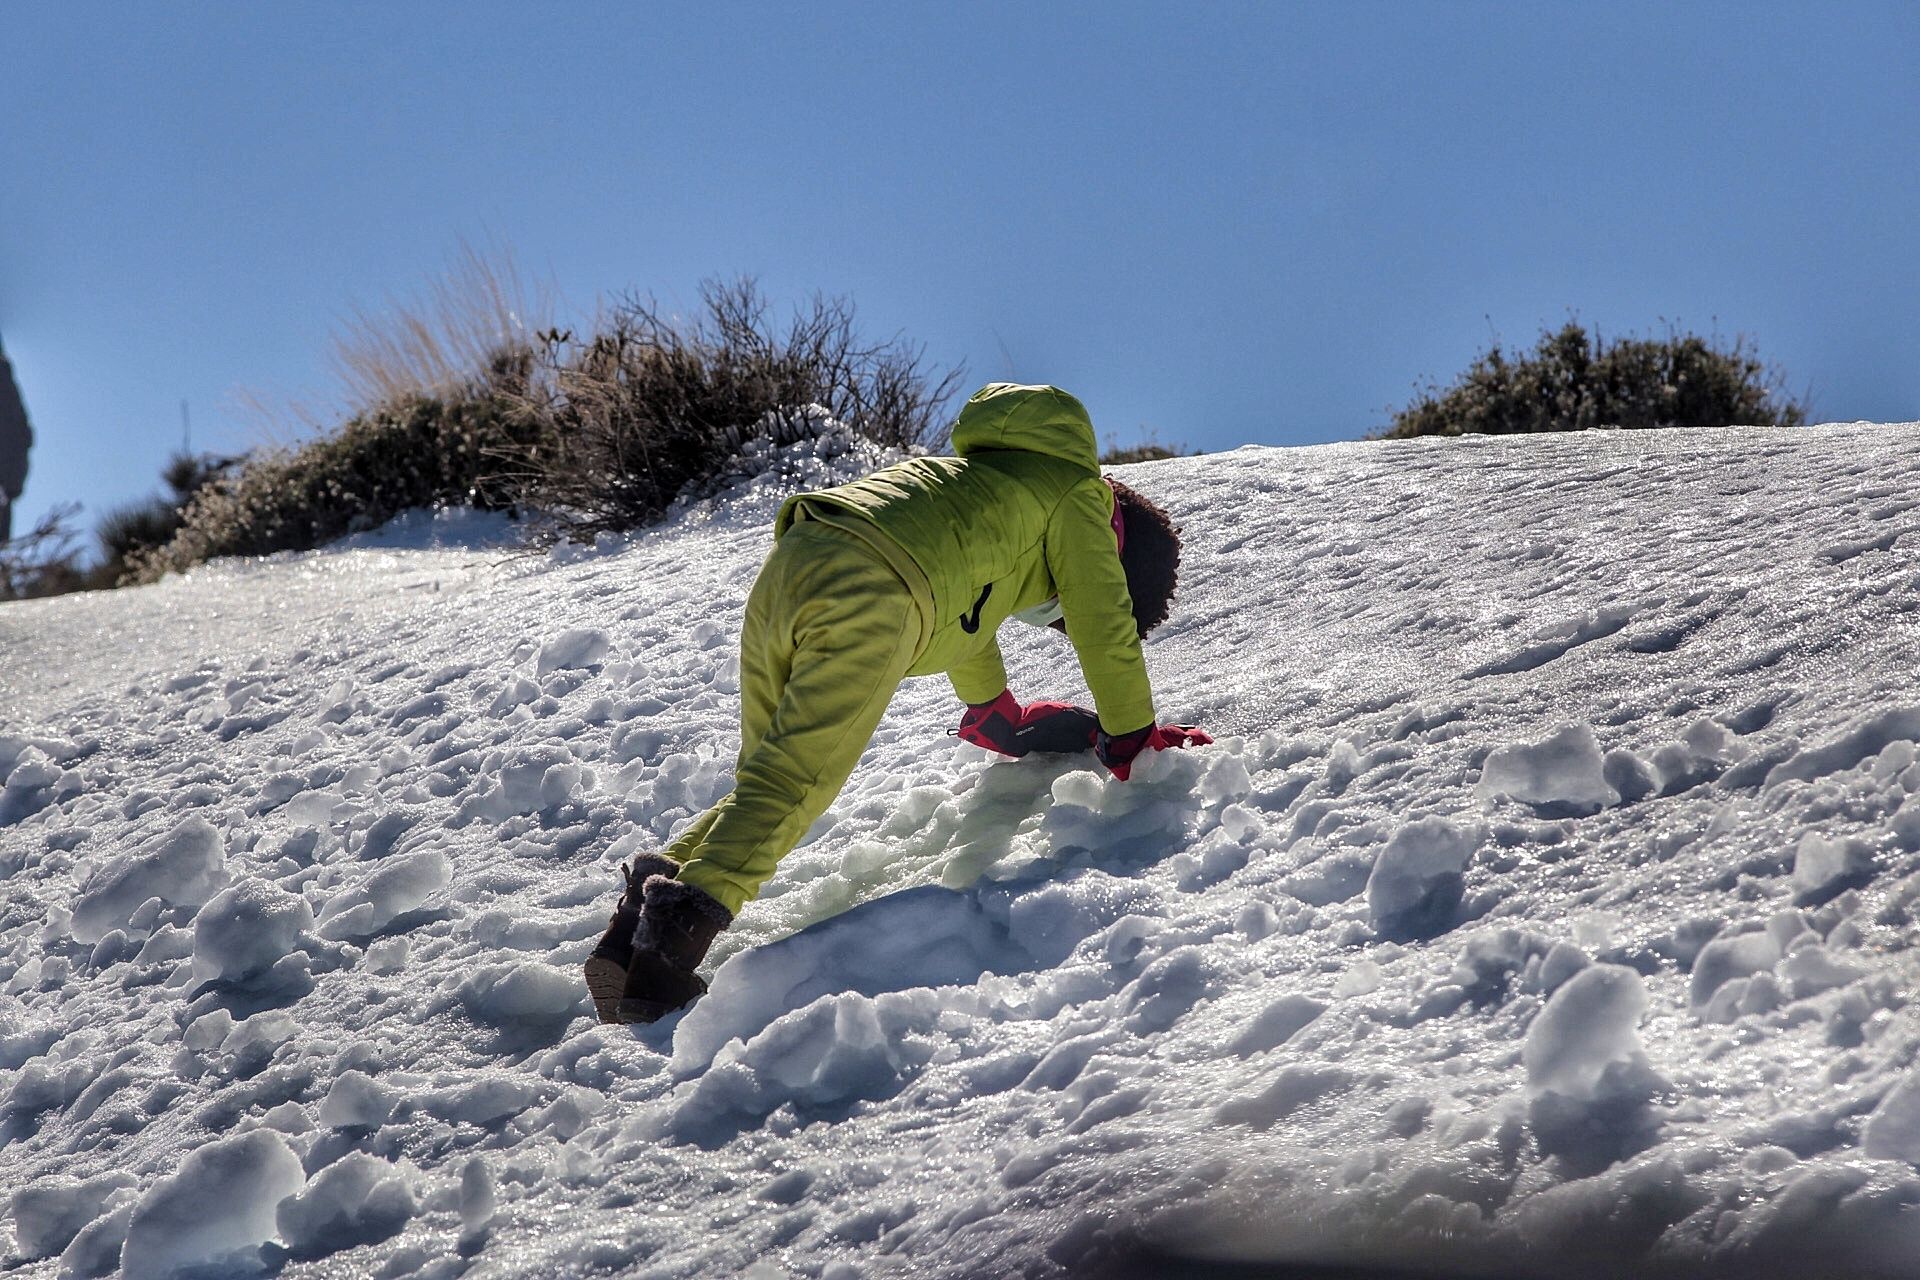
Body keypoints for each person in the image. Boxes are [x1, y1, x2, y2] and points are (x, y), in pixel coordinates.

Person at [584, 383, 1211, 1023]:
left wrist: (1002, 714)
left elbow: (970, 608)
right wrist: (1136, 738)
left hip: (794, 563)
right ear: (1119, 546)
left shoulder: (985, 484)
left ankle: (637, 916)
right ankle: (663, 963)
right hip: (874, 588)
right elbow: (1105, 624)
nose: (1057, 621)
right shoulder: (1081, 499)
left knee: (764, 779)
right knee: (794, 784)